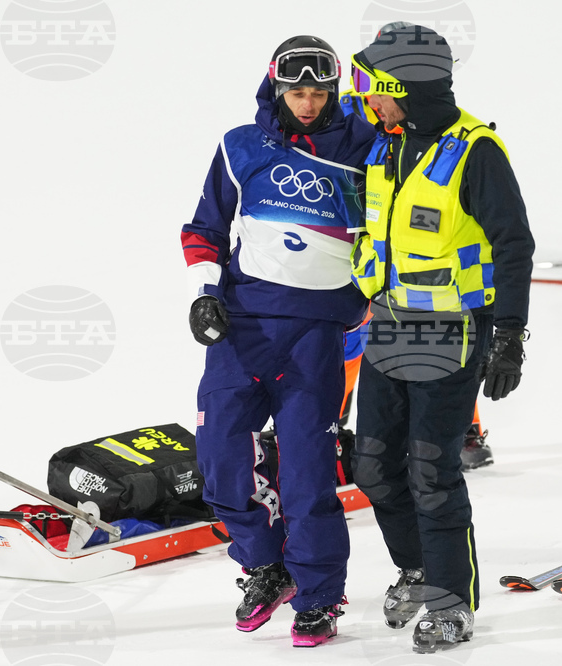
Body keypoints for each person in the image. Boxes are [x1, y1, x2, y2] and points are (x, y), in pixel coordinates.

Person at [180, 35, 375, 647]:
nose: (308, 103)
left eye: (319, 92)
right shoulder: (241, 145)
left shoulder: (367, 145)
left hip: (318, 335)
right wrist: (205, 293)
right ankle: (266, 565)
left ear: (335, 90)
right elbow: (205, 228)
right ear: (276, 88)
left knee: (309, 476)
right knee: (219, 462)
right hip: (241, 329)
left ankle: (318, 597)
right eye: (297, 92)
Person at [346, 25, 534, 653]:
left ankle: (453, 604)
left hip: (451, 332)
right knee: (372, 464)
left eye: (376, 85)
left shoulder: (476, 152)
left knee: (431, 471)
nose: (367, 97)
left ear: (407, 87)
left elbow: (514, 245)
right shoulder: (387, 145)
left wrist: (509, 335)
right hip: (388, 323)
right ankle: (419, 568)